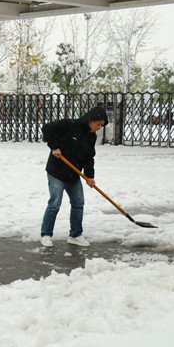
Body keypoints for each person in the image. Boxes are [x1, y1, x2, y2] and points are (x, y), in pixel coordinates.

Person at [39, 105, 108, 248]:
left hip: (74, 174)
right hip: (57, 172)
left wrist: (90, 176)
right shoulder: (69, 125)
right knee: (55, 203)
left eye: (101, 125)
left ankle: (75, 235)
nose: (99, 127)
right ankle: (46, 234)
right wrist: (54, 146)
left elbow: (89, 157)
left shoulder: (91, 136)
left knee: (78, 203)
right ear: (91, 119)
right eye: (98, 124)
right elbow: (47, 128)